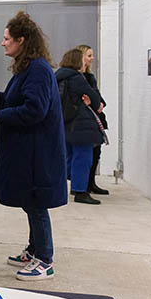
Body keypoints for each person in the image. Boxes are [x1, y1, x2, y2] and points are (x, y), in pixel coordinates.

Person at [0, 11, 66, 281]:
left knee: (37, 204)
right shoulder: (27, 68)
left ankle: (45, 260)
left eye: (7, 39)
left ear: (21, 40)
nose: (3, 43)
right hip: (29, 151)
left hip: (37, 153)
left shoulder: (38, 70)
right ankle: (34, 249)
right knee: (30, 202)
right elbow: (21, 100)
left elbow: (34, 110)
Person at [55, 48, 104, 205]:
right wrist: (93, 102)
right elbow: (97, 102)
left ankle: (75, 187)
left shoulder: (58, 77)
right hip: (81, 124)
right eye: (84, 60)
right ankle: (81, 192)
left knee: (70, 157)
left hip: (65, 123)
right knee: (83, 158)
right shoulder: (77, 78)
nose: (86, 63)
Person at [76, 44, 109, 195]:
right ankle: (81, 186)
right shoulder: (77, 77)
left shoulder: (90, 77)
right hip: (83, 120)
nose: (92, 58)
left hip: (95, 118)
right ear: (81, 57)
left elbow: (96, 95)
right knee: (84, 156)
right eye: (89, 55)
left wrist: (100, 103)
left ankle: (90, 183)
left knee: (96, 153)